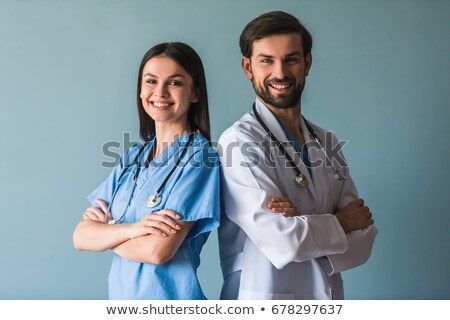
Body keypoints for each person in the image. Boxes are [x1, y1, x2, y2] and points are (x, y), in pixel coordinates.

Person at [218, 11, 378, 300]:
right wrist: (340, 222)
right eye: (266, 60)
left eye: (291, 59)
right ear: (247, 67)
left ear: (308, 63)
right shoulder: (238, 142)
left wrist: (303, 224)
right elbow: (283, 240)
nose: (280, 73)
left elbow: (365, 236)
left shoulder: (326, 142)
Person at [73, 42, 220, 300]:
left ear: (195, 92)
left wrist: (107, 233)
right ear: (141, 90)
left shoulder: (200, 158)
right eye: (151, 81)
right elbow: (81, 237)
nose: (160, 92)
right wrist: (133, 230)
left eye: (174, 83)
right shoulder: (131, 158)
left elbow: (157, 251)